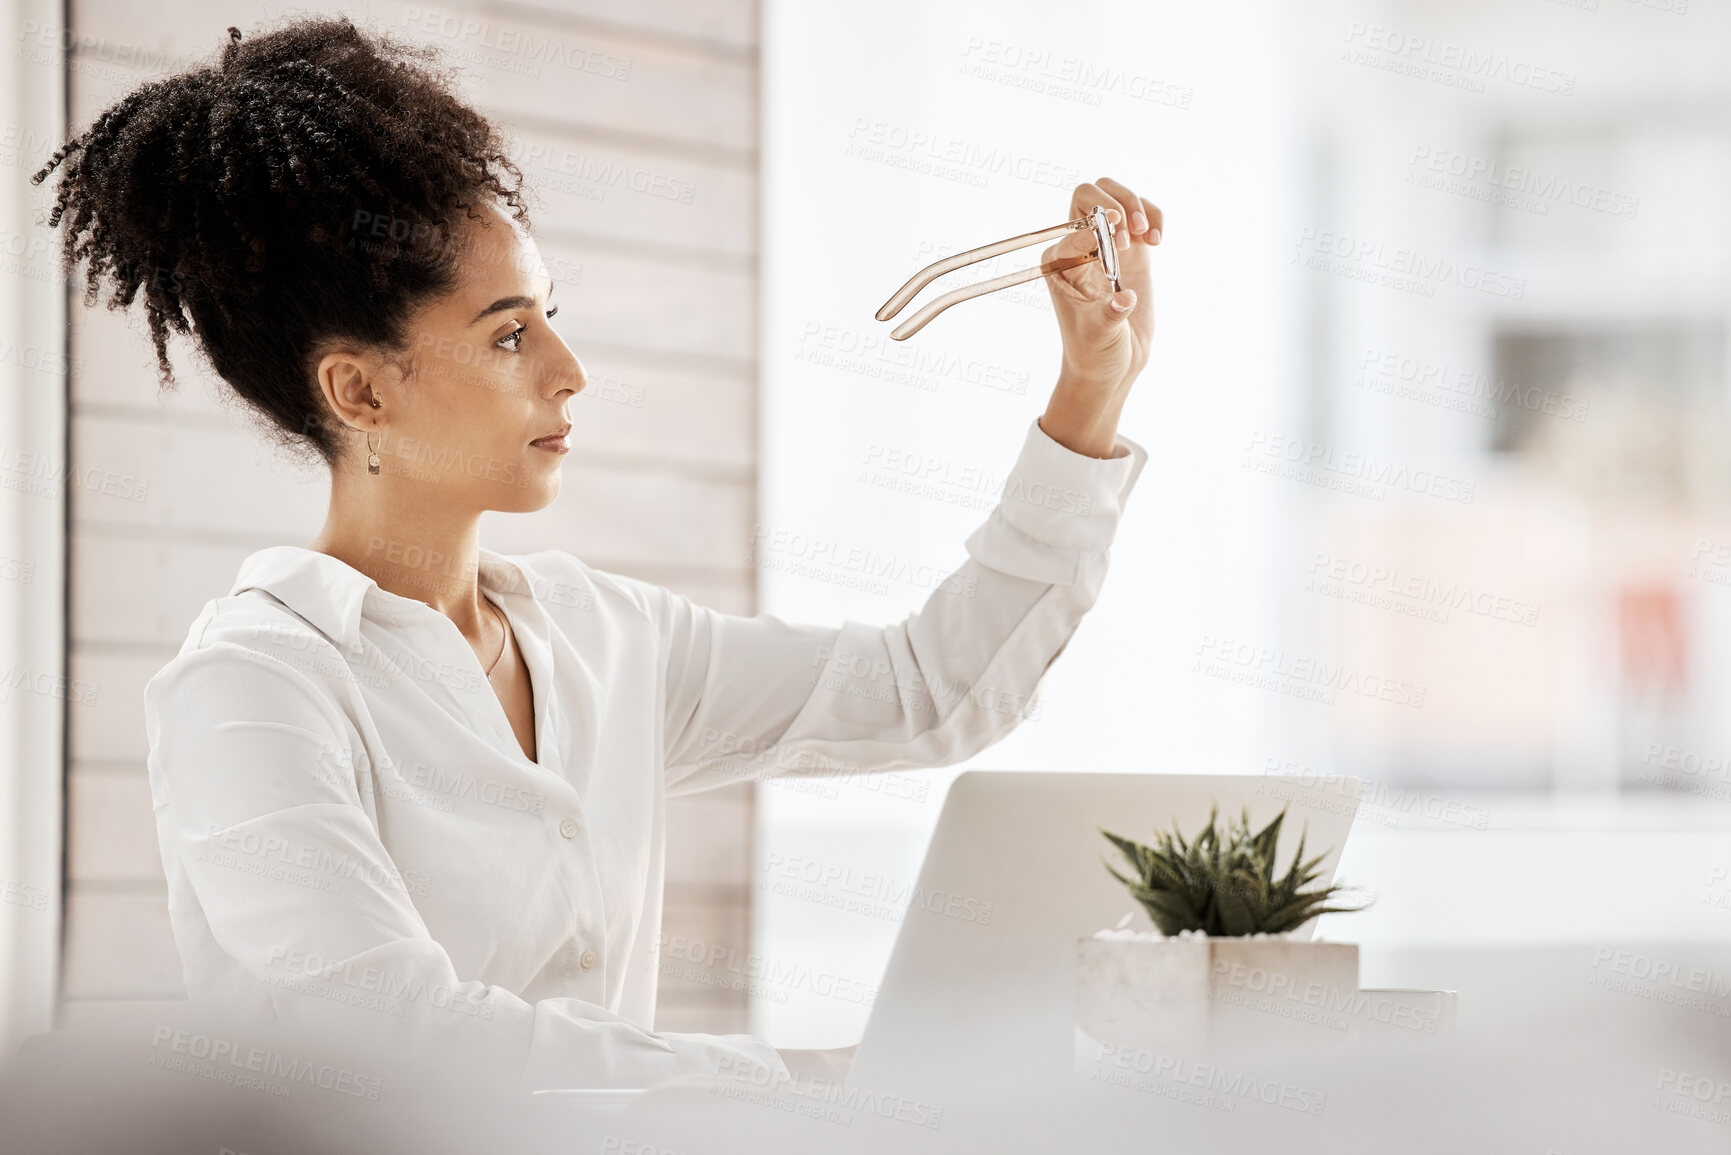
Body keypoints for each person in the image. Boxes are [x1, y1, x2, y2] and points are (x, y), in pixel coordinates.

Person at [31, 16, 1159, 1090]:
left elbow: (928, 693)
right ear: (360, 390)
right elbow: (405, 1052)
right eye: (511, 332)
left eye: (551, 316)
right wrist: (826, 1085)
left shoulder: (602, 637)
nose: (570, 370)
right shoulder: (252, 691)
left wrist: (1091, 387)